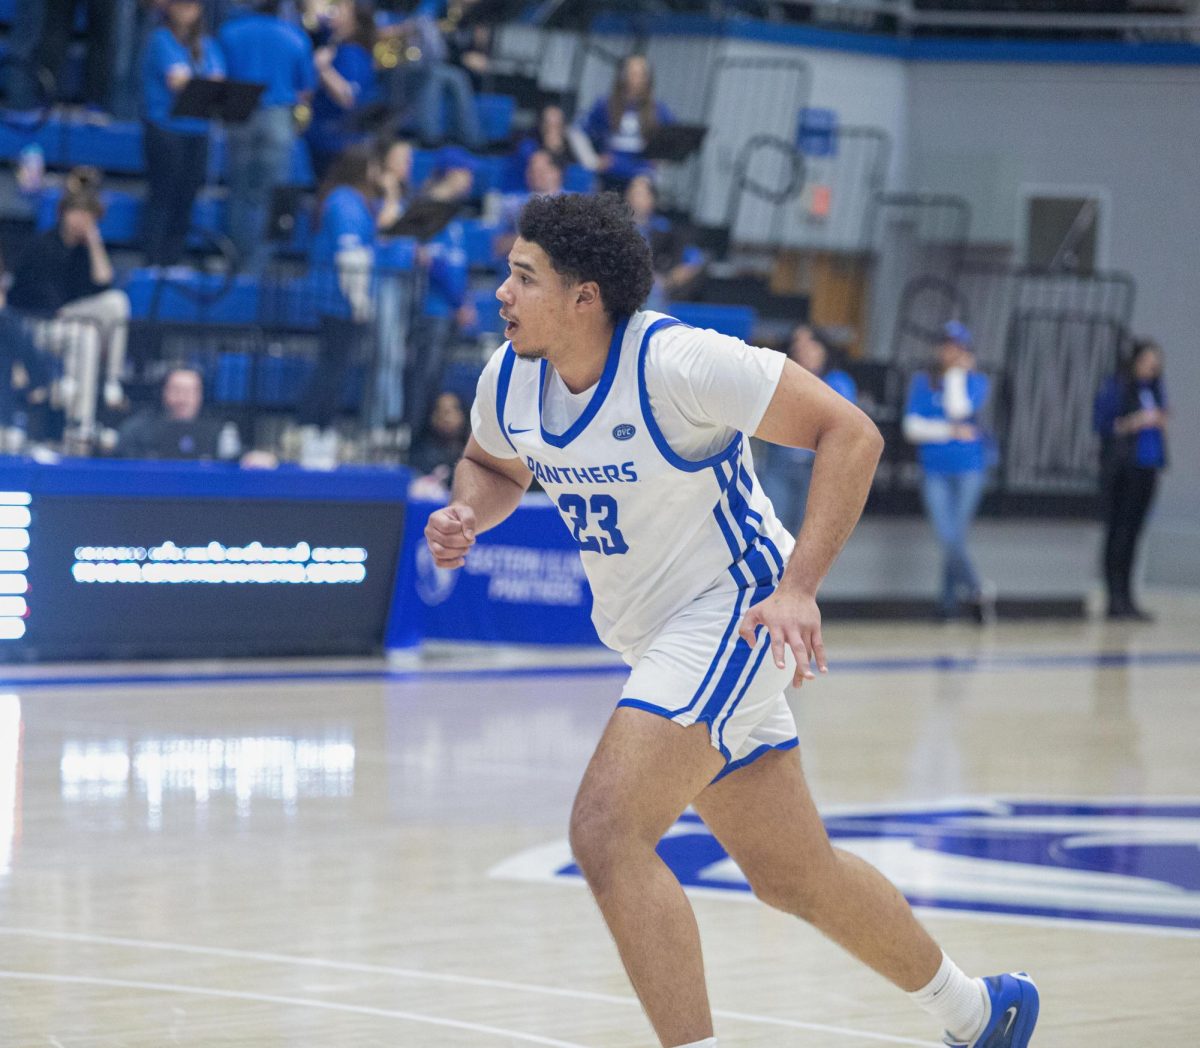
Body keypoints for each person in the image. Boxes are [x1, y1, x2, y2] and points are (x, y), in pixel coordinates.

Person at [424, 193, 1039, 1048]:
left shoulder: (679, 363)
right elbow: (491, 464)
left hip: (734, 611)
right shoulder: (509, 377)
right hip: (654, 636)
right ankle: (980, 1011)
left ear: (584, 297)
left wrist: (798, 585)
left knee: (605, 832)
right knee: (794, 876)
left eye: (523, 277)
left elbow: (851, 434)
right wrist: (466, 514)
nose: (501, 293)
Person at [7, 181, 131, 443]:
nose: (81, 220)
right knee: (84, 332)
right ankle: (75, 412)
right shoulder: (43, 245)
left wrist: (94, 242)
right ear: (63, 213)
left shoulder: (85, 250)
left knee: (114, 305)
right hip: (35, 325)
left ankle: (102, 395)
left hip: (70, 322)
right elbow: (31, 298)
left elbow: (103, 281)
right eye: (77, 212)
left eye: (88, 215)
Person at [903, 321, 993, 623]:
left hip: (969, 468)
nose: (950, 351)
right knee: (947, 535)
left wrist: (957, 375)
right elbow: (912, 428)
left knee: (955, 537)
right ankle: (978, 590)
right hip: (935, 470)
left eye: (957, 347)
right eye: (946, 345)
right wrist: (949, 430)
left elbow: (959, 410)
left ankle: (946, 605)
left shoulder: (976, 381)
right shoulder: (922, 381)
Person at [296, 142, 381, 463]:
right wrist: (359, 301)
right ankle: (312, 427)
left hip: (337, 297)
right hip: (339, 298)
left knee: (334, 365)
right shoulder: (345, 202)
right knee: (332, 366)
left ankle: (317, 427)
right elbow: (350, 255)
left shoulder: (347, 199)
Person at [218, 0, 315, 272]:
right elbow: (305, 90)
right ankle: (258, 269)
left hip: (240, 115)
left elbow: (217, 77)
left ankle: (236, 266)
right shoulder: (295, 36)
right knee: (270, 197)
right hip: (278, 119)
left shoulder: (230, 32)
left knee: (239, 193)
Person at [140, 0, 226, 267]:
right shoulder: (160, 40)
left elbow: (219, 80)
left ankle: (173, 261)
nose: (184, 11)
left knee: (186, 198)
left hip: (198, 131)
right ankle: (153, 261)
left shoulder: (207, 45)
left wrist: (194, 81)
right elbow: (176, 81)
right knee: (163, 196)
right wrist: (200, 81)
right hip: (165, 129)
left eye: (190, 5)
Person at [1093, 338, 1168, 621]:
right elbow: (1104, 424)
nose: (1153, 367)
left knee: (1135, 533)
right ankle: (1114, 598)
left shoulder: (1154, 390)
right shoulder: (1119, 387)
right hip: (1124, 468)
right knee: (1119, 532)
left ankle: (1128, 597)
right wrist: (1137, 420)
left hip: (1147, 467)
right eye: (1149, 362)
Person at [758, 325, 858, 533]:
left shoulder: (838, 381)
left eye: (811, 345)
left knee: (808, 533)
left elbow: (842, 425)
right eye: (798, 346)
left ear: (823, 349)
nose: (804, 351)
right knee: (773, 528)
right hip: (779, 464)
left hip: (818, 467)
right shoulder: (779, 378)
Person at [306, 0, 380, 181]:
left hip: (337, 140)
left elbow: (347, 97)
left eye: (340, 9)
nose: (333, 12)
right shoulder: (332, 43)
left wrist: (323, 69)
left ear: (354, 19)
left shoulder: (352, 53)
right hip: (323, 136)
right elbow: (314, 16)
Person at [579, 54, 675, 191]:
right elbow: (578, 132)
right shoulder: (605, 105)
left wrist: (660, 159)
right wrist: (592, 160)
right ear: (622, 75)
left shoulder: (658, 110)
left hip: (642, 178)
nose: (634, 78)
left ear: (647, 78)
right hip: (610, 175)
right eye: (631, 72)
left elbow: (675, 141)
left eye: (639, 74)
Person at [624, 173, 703, 310]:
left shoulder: (664, 229)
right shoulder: (616, 226)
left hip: (654, 284)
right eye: (633, 192)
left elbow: (694, 257)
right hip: (622, 280)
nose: (636, 198)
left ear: (652, 199)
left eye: (642, 194)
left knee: (653, 289)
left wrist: (670, 279)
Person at [115, 366, 231, 459]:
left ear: (200, 395)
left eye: (189, 392)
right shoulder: (138, 430)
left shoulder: (218, 430)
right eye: (176, 390)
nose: (182, 399)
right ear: (164, 392)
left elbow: (236, 457)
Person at [409, 388, 468, 484]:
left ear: (463, 415)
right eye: (440, 410)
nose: (446, 417)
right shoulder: (419, 455)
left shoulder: (472, 455)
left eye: (453, 410)